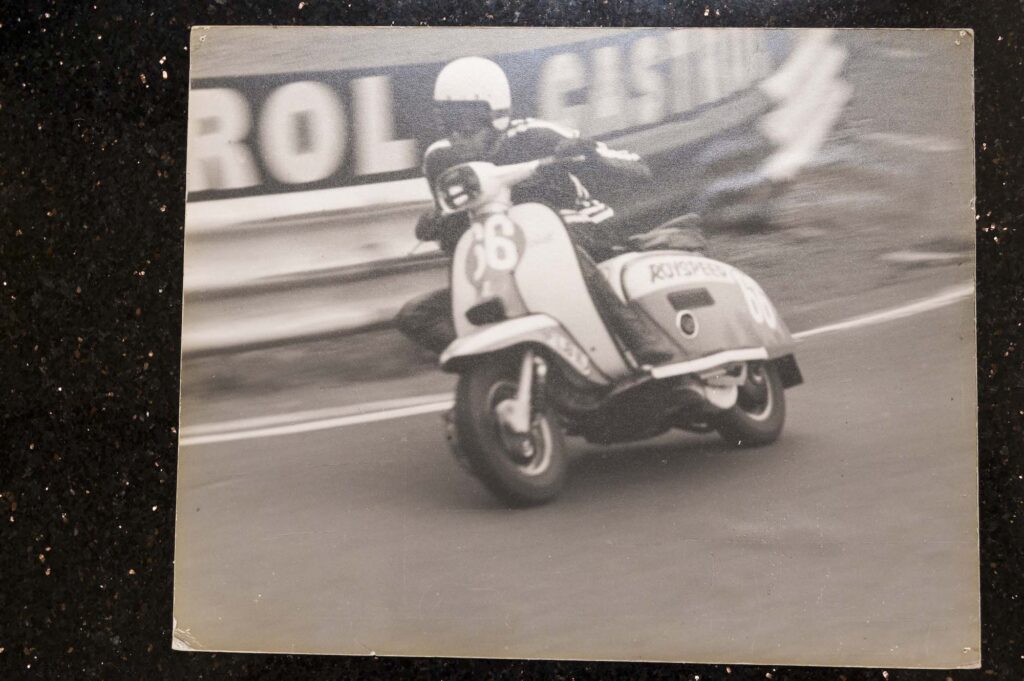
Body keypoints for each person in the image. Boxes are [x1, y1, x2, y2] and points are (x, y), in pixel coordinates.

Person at [396, 56, 678, 367]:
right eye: (448, 122)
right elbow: (457, 240)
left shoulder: (537, 135)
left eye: (466, 122)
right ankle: (498, 369)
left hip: (577, 227)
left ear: (496, 116)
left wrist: (589, 154)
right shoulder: (439, 159)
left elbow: (638, 167)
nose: (457, 134)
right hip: (506, 255)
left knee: (553, 240)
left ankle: (639, 338)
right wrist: (437, 219)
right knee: (414, 314)